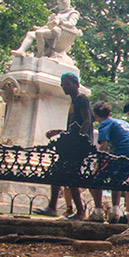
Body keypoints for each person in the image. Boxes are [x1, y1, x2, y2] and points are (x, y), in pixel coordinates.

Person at [35, 72, 90, 219]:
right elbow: (75, 125)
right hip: (70, 144)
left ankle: (80, 212)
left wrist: (78, 138)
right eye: (62, 83)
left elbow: (87, 121)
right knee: (57, 172)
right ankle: (52, 207)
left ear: (75, 84)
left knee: (70, 176)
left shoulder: (81, 99)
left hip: (77, 147)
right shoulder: (73, 102)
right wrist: (60, 132)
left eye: (66, 83)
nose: (63, 86)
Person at [93, 102, 129, 221]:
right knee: (117, 180)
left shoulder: (104, 123)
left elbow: (103, 146)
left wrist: (98, 163)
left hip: (122, 156)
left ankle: (98, 212)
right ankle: (115, 212)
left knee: (95, 179)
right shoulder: (123, 122)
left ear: (95, 115)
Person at [12, 0, 81, 60]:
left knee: (39, 33)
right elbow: (51, 24)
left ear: (65, 3)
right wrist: (42, 27)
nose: (58, 5)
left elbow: (71, 23)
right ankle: (21, 51)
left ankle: (40, 55)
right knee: (30, 34)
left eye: (59, 3)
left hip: (59, 33)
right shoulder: (59, 13)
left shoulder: (73, 13)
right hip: (50, 30)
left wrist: (60, 22)